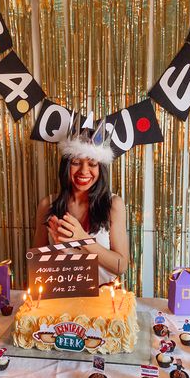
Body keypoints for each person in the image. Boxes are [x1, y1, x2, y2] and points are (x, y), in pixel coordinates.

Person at [33, 112, 129, 286]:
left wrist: (82, 239)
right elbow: (36, 264)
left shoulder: (113, 204)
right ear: (66, 166)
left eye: (92, 164)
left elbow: (120, 266)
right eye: (76, 162)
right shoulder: (47, 205)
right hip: (60, 297)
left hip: (103, 300)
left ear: (101, 169)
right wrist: (58, 248)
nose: (84, 171)